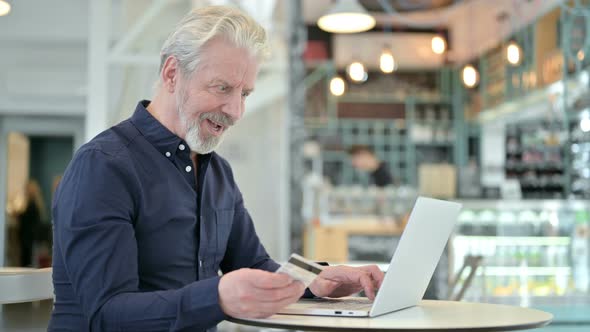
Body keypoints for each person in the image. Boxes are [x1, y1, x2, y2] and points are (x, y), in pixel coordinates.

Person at [49, 6, 383, 332]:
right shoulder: (103, 166)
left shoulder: (217, 172)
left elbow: (254, 265)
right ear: (171, 74)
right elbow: (106, 314)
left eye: (245, 93)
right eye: (222, 88)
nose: (236, 111)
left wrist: (316, 279)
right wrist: (217, 297)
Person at [17, 179, 46, 267]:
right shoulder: (35, 204)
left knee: (27, 260)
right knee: (28, 259)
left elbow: (24, 218)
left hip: (28, 237)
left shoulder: (31, 204)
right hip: (29, 237)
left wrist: (17, 214)